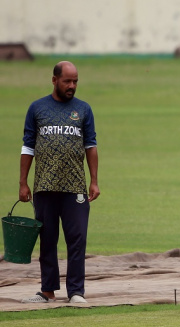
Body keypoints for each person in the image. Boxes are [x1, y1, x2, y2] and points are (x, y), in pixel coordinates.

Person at [19, 61, 99, 304]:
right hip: (44, 186)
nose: (72, 85)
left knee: (77, 239)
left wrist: (94, 181)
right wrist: (23, 183)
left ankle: (76, 292)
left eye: (75, 81)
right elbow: (28, 147)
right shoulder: (37, 108)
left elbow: (91, 146)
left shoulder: (83, 109)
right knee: (47, 239)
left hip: (75, 187)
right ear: (54, 80)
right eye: (67, 81)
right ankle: (47, 291)